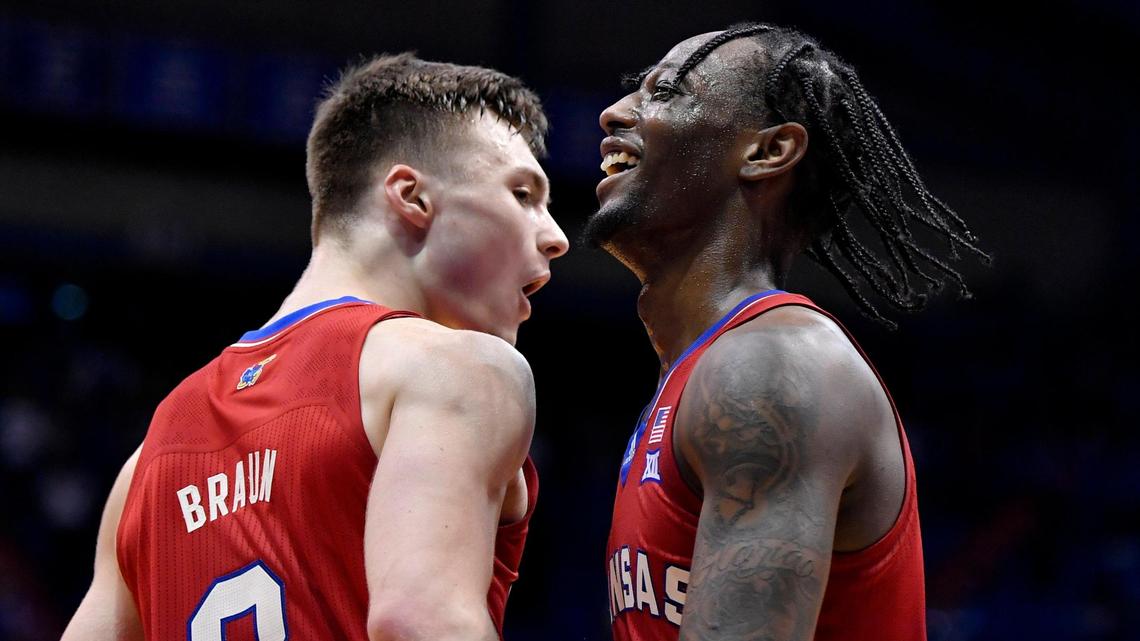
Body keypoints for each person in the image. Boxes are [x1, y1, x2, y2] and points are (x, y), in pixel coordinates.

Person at [61, 52, 568, 641]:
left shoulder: (148, 460)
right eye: (524, 193)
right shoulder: (457, 370)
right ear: (413, 197)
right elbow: (421, 620)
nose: (555, 236)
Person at [590, 23, 989, 641]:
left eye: (666, 92)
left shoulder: (771, 367)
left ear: (768, 152)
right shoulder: (704, 371)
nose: (615, 113)